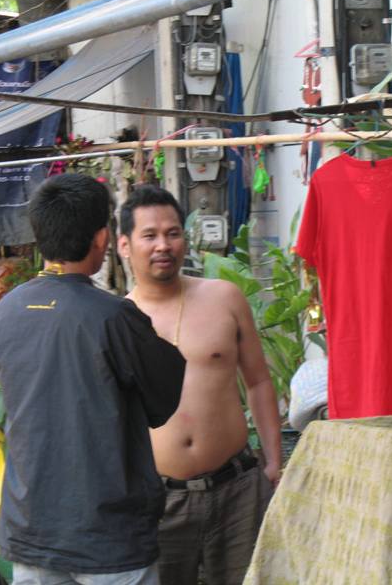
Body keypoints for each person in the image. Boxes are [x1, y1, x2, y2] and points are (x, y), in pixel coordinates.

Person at [0, 174, 185, 585]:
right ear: (102, 238)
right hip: (107, 537)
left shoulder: (7, 309)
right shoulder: (112, 316)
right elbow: (163, 400)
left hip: (31, 526)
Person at [117, 185, 282, 585]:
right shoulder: (116, 319)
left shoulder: (223, 297)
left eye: (173, 233)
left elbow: (259, 381)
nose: (163, 245)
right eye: (150, 235)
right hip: (159, 500)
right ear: (125, 245)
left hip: (237, 490)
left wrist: (275, 465)